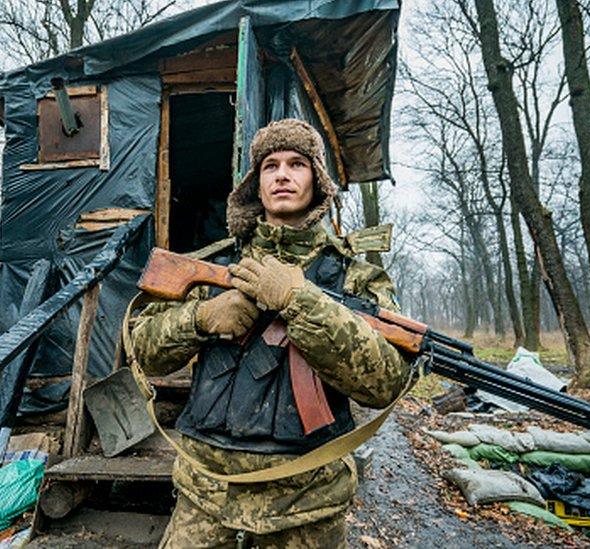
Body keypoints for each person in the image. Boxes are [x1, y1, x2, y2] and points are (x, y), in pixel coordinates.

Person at [129, 118, 411, 548]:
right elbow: (143, 351)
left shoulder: (356, 278)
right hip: (206, 495)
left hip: (307, 504)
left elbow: (385, 382)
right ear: (255, 184)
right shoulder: (214, 267)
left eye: (297, 164)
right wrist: (201, 318)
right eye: (270, 165)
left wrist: (300, 300)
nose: (282, 174)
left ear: (317, 181)